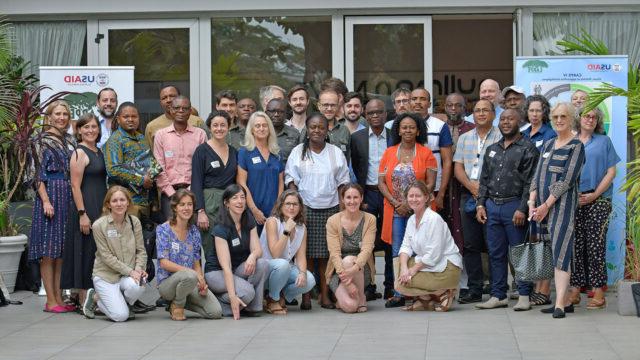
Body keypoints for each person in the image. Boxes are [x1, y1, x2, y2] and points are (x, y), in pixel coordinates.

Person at [474, 109, 539, 311]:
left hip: (514, 207)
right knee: (495, 253)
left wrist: (522, 209)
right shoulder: (492, 148)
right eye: (502, 119)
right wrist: (480, 204)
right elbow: (483, 180)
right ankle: (498, 295)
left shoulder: (528, 148)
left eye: (510, 119)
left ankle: (524, 295)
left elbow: (531, 183)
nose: (506, 122)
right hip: (492, 206)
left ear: (519, 121)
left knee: (519, 253)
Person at [285, 113, 351, 309]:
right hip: (305, 209)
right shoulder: (298, 152)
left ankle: (324, 295)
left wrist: (342, 209)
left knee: (326, 255)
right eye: (312, 127)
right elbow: (291, 180)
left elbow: (343, 182)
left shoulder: (335, 152)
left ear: (327, 129)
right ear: (306, 129)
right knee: (305, 254)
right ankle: (305, 296)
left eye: (321, 127)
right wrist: (295, 209)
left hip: (330, 208)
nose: (317, 130)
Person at [529, 102, 585, 319]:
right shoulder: (548, 144)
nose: (559, 120)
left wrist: (545, 205)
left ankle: (560, 303)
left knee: (561, 252)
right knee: (551, 253)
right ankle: (563, 299)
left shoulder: (576, 146)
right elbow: (537, 174)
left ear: (571, 119)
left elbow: (566, 181)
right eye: (555, 117)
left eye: (563, 116)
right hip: (541, 209)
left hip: (560, 209)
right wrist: (532, 201)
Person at [379, 112, 437, 308]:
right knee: (397, 251)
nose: (408, 130)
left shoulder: (426, 153)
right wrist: (397, 203)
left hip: (419, 211)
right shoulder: (389, 153)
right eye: (404, 127)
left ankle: (419, 291)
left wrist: (413, 203)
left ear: (418, 130)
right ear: (398, 130)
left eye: (412, 127)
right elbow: (381, 183)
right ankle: (399, 292)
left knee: (419, 249)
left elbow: (430, 183)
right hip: (395, 210)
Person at [568, 107, 620, 309]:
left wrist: (594, 195)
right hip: (574, 200)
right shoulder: (571, 142)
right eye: (586, 116)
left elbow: (611, 172)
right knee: (576, 246)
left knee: (595, 245)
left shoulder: (604, 141)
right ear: (578, 118)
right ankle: (575, 290)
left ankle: (598, 291)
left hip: (598, 200)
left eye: (593, 117)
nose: (590, 119)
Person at [453, 99, 502, 304]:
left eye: (485, 110)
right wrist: (472, 187)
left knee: (493, 244)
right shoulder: (464, 138)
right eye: (477, 111)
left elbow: (503, 168)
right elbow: (458, 168)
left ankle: (496, 287)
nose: (481, 114)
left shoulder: (501, 136)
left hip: (492, 196)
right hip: (469, 195)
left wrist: (483, 190)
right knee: (471, 244)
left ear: (493, 114)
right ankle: (474, 288)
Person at [29, 100, 75, 313]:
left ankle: (58, 297)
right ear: (48, 117)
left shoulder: (70, 141)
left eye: (65, 114)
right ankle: (50, 300)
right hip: (50, 197)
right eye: (57, 113)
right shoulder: (40, 141)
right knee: (48, 251)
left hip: (67, 196)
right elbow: (36, 174)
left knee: (60, 251)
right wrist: (46, 200)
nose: (62, 117)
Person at [61, 113, 107, 311]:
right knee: (84, 252)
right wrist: (82, 214)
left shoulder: (98, 151)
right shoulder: (79, 153)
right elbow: (74, 185)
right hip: (85, 207)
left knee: (94, 251)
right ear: (78, 130)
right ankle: (81, 299)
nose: (90, 130)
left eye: (94, 127)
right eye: (86, 127)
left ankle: (92, 296)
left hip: (99, 206)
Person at [155, 190, 223, 320]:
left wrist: (201, 280)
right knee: (190, 275)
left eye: (190, 204)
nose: (186, 208)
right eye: (182, 204)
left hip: (189, 282)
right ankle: (178, 305)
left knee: (215, 312)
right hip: (167, 285)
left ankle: (179, 303)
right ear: (175, 208)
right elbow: (164, 263)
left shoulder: (194, 232)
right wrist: (193, 274)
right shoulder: (163, 229)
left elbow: (196, 263)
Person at [83, 186, 148, 321]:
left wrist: (139, 269)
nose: (119, 204)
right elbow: (106, 257)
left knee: (140, 284)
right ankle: (96, 298)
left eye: (122, 200)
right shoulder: (99, 225)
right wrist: (131, 272)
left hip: (127, 274)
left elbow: (141, 250)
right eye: (115, 201)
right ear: (108, 204)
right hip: (106, 276)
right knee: (121, 316)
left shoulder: (134, 222)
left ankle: (121, 302)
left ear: (128, 202)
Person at [396, 181, 462, 312]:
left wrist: (413, 270)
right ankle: (425, 299)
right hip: (429, 263)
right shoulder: (411, 220)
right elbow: (405, 246)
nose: (414, 199)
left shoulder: (434, 219)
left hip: (447, 267)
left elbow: (434, 255)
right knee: (399, 268)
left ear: (426, 198)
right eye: (411, 196)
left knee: (401, 282)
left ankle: (443, 293)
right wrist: (404, 268)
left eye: (418, 196)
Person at [204, 184, 268, 319]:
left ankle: (252, 307)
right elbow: (226, 268)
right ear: (226, 203)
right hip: (217, 273)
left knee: (262, 263)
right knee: (248, 292)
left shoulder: (248, 220)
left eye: (243, 197)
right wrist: (233, 296)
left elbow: (258, 250)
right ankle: (222, 300)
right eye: (235, 198)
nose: (240, 201)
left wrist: (252, 256)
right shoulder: (221, 228)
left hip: (236, 270)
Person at [351, 99, 393, 299]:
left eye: (379, 112)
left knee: (390, 240)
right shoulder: (357, 138)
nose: (375, 116)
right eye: (371, 113)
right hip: (367, 194)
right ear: (365, 115)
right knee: (365, 242)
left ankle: (391, 284)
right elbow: (356, 168)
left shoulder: (395, 135)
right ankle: (368, 285)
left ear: (386, 114)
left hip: (390, 195)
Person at [260, 190, 316, 313]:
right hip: (268, 269)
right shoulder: (272, 222)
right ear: (281, 205)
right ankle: (272, 299)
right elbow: (275, 254)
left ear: (300, 207)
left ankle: (282, 296)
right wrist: (286, 231)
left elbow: (301, 256)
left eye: (295, 204)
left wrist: (302, 273)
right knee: (283, 264)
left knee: (310, 280)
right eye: (288, 204)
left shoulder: (302, 228)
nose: (291, 207)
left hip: (284, 269)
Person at [191, 111, 238, 254]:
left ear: (228, 127)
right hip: (209, 202)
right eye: (215, 125)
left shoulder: (234, 151)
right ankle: (212, 275)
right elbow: (196, 182)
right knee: (211, 245)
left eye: (223, 125)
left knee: (230, 244)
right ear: (210, 128)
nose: (219, 129)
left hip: (229, 203)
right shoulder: (202, 151)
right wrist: (200, 211)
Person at [153, 96, 207, 220]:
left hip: (194, 191)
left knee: (193, 231)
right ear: (170, 110)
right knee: (172, 232)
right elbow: (158, 167)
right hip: (169, 193)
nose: (181, 111)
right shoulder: (161, 135)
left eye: (185, 108)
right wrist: (173, 194)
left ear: (190, 112)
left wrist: (190, 190)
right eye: (177, 108)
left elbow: (203, 167)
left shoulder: (200, 134)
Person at [325, 184, 376, 313]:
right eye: (348, 197)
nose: (352, 201)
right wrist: (346, 280)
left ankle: (361, 298)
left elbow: (367, 249)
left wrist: (353, 269)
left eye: (355, 197)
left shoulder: (370, 219)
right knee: (351, 307)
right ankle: (350, 299)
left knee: (350, 260)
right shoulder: (332, 221)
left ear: (361, 198)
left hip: (361, 269)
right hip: (339, 271)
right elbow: (334, 253)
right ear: (342, 199)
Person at [236, 111, 285, 235]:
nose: (261, 128)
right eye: (257, 126)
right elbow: (241, 183)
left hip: (274, 211)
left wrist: (277, 208)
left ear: (269, 128)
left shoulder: (277, 153)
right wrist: (254, 209)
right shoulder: (245, 152)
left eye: (265, 125)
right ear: (251, 130)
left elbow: (280, 183)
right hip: (252, 210)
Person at [409, 88, 454, 220]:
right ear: (409, 103)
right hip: (406, 190)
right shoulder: (402, 125)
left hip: (433, 189)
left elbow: (447, 161)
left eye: (422, 99)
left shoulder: (440, 126)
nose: (418, 102)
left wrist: (441, 193)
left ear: (429, 104)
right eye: (414, 99)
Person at [104, 102, 153, 213]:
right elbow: (113, 170)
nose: (130, 119)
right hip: (126, 202)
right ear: (118, 119)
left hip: (145, 200)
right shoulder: (115, 140)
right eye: (126, 116)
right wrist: (141, 180)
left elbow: (150, 163)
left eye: (134, 116)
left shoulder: (141, 138)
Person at [265, 98, 301, 163]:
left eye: (280, 111)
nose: (276, 114)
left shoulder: (295, 134)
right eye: (273, 111)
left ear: (285, 114)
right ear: (266, 113)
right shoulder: (259, 133)